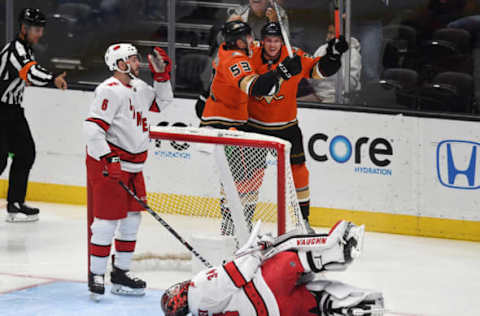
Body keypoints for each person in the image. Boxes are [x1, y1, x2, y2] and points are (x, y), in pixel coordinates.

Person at [83, 43, 173, 300]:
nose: (137, 64)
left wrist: (162, 76)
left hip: (134, 166)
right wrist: (108, 157)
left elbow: (163, 102)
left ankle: (121, 273)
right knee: (105, 223)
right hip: (110, 165)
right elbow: (92, 129)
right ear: (120, 64)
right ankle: (97, 274)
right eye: (133, 60)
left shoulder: (139, 87)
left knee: (132, 220)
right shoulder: (108, 90)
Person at [161, 220, 384, 316]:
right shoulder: (198, 287)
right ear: (179, 296)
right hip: (266, 288)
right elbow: (239, 274)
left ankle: (359, 307)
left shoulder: (202, 311)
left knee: (313, 304)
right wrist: (259, 249)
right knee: (288, 255)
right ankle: (339, 248)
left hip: (275, 312)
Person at [246, 22, 348, 232]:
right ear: (262, 41)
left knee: (299, 172)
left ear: (282, 42)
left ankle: (303, 221)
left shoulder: (295, 56)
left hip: (287, 128)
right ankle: (244, 220)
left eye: (276, 41)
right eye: (268, 40)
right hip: (254, 126)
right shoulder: (250, 55)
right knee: (252, 175)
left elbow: (319, 71)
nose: (272, 45)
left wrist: (333, 56)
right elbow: (251, 85)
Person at [0, 8, 68, 223]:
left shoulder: (27, 49)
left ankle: (15, 204)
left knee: (26, 153)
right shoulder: (15, 50)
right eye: (36, 29)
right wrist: (53, 78)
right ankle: (15, 203)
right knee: (0, 160)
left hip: (12, 111)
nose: (40, 34)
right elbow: (30, 73)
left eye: (41, 29)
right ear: (24, 28)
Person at [300, 24, 362, 103]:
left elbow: (352, 84)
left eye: (333, 33)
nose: (329, 36)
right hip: (318, 95)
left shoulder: (353, 54)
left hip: (340, 97)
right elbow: (311, 79)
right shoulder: (322, 49)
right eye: (329, 32)